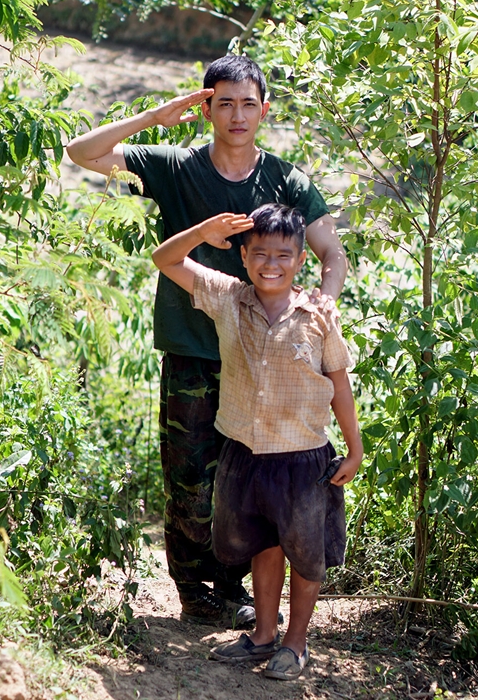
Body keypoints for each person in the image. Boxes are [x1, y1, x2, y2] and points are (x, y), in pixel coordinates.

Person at [66, 55, 348, 626]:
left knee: (248, 478)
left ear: (264, 110)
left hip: (265, 359)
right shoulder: (175, 166)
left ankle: (235, 592)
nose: (237, 115)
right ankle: (196, 594)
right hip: (193, 347)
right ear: (207, 107)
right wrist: (155, 116)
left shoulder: (285, 179)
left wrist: (325, 299)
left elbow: (332, 254)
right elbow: (82, 152)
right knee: (191, 477)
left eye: (248, 103)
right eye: (224, 102)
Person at [152, 204, 363, 680]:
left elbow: (340, 385)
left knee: (305, 554)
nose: (272, 263)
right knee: (264, 545)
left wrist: (355, 448)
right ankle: (264, 635)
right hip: (245, 453)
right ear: (243, 257)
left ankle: (296, 644)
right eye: (261, 253)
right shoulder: (229, 298)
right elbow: (165, 259)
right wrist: (205, 231)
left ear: (301, 261)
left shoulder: (318, 316)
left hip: (304, 459)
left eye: (284, 254)